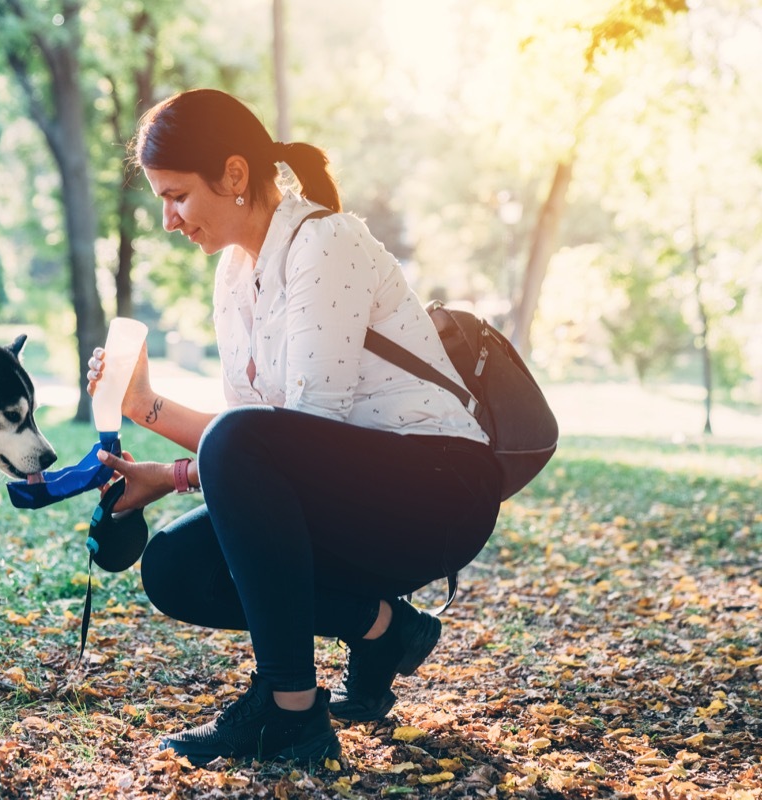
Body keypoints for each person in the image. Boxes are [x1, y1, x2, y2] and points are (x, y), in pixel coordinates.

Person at [86, 89, 502, 766]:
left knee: (236, 446)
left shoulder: (327, 241)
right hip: (352, 494)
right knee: (174, 568)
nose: (167, 219)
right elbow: (262, 450)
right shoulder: (233, 274)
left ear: (235, 176)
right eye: (161, 199)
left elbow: (287, 433)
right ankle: (385, 631)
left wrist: (166, 456)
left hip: (439, 489)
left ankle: (291, 710)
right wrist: (144, 410)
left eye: (178, 196)